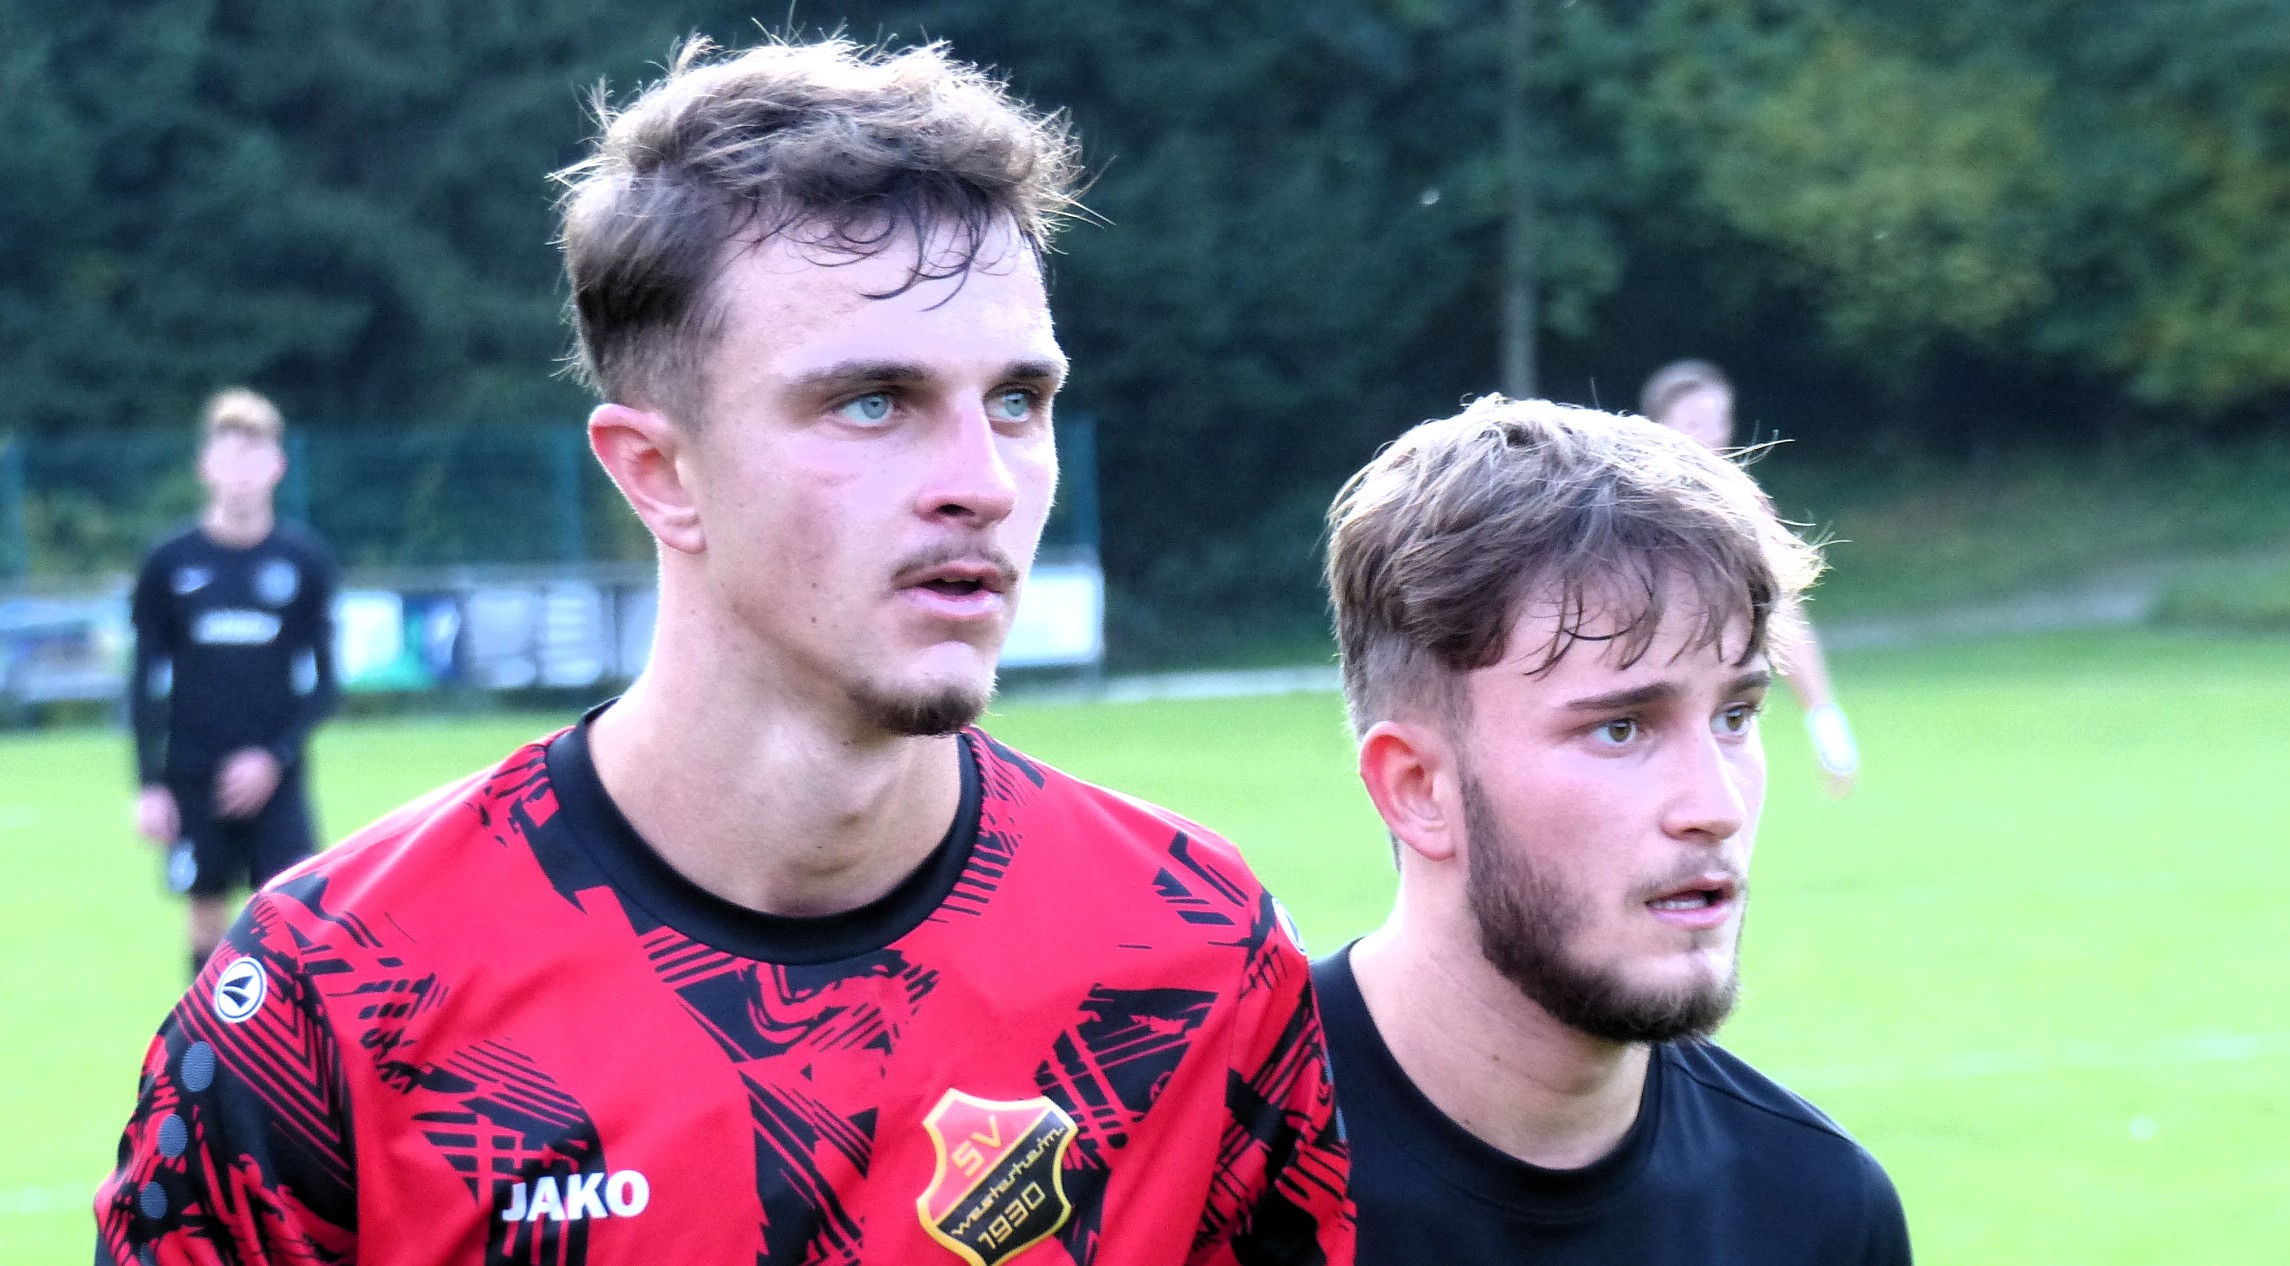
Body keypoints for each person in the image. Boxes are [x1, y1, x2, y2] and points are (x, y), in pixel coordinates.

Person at [96, 38, 1351, 1266]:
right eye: (873, 402)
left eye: (1018, 401)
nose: (982, 482)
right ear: (657, 472)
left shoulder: (1196, 954)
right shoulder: (330, 1002)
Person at [1314, 396, 1909, 1263]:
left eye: (1736, 716)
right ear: (1419, 790)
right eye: (1621, 728)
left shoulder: (1820, 1213)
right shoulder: (1199, 1176)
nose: (1717, 806)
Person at [127, 387, 339, 979]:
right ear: (205, 467)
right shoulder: (169, 562)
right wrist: (149, 783)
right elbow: (144, 678)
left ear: (278, 466)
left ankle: (287, 1037)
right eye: (229, 456)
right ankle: (205, 1038)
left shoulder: (305, 561)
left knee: (293, 918)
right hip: (192, 773)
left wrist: (272, 756)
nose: (242, 473)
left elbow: (326, 685)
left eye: (255, 456)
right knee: (206, 916)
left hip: (277, 777)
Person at [1641, 359, 1859, 797]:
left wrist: (1826, 724)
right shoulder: (1619, 508)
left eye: (1719, 421)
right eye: (1695, 423)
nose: (1712, 436)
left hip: (1712, 704)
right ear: (1657, 425)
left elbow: (1784, 613)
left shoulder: (1743, 508)